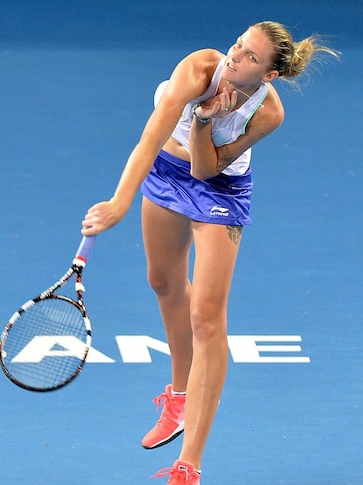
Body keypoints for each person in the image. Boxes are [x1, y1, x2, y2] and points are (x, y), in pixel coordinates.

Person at [80, 21, 338, 484]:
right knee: (162, 281)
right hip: (163, 171)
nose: (233, 57)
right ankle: (179, 396)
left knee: (207, 317)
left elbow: (205, 169)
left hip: (221, 189)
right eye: (238, 44)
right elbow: (151, 135)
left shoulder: (267, 112)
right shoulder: (199, 66)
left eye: (248, 57)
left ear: (269, 75)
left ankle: (189, 465)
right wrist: (119, 200)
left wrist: (203, 121)